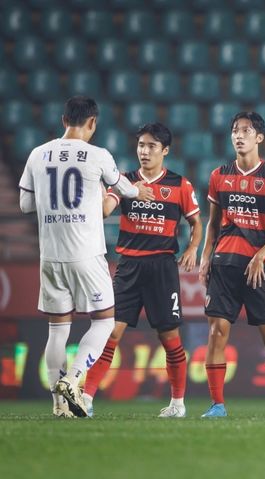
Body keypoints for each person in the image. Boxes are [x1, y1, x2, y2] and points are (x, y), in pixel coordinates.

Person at [17, 96, 154, 417]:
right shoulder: (98, 155)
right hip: (86, 253)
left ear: (64, 119)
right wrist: (139, 192)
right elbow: (127, 188)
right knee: (105, 321)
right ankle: (75, 377)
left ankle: (58, 406)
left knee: (57, 329)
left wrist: (54, 202)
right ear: (92, 123)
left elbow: (25, 205)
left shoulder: (38, 154)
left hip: (50, 256)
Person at [82, 123, 202, 418]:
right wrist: (108, 196)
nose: (144, 151)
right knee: (110, 333)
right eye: (140, 146)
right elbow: (106, 208)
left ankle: (177, 404)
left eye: (150, 146)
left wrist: (191, 248)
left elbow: (196, 222)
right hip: (129, 266)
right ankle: (85, 398)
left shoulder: (180, 185)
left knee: (169, 338)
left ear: (165, 151)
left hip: (162, 266)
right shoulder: (125, 181)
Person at [199, 112, 265, 418]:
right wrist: (206, 255)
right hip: (224, 265)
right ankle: (217, 405)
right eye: (234, 131)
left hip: (261, 269)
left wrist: (260, 255)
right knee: (217, 333)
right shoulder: (219, 175)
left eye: (245, 131)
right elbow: (213, 223)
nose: (239, 135)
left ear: (259, 138)